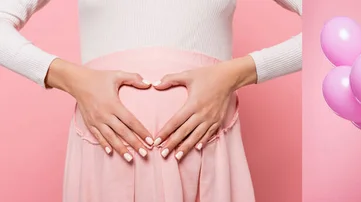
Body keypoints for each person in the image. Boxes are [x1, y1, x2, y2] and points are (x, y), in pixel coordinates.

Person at [0, 0, 301, 202]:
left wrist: (238, 72)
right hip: (106, 152)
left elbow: (329, 24)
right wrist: (71, 78)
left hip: (204, 152)